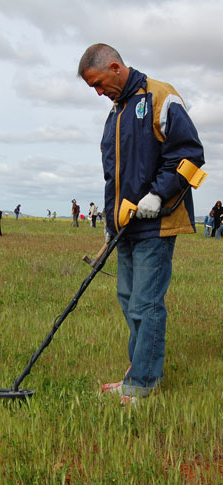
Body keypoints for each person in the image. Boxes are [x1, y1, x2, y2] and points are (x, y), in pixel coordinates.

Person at [78, 43, 204, 406]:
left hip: (157, 223)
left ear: (116, 67)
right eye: (93, 89)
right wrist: (108, 220)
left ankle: (142, 386)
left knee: (146, 304)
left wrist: (159, 195)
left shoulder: (161, 96)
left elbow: (190, 155)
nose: (99, 93)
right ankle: (136, 376)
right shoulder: (115, 113)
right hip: (125, 227)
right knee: (128, 300)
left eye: (99, 84)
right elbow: (112, 177)